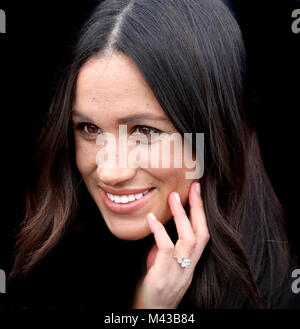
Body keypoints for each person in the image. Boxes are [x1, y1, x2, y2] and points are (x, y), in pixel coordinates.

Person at [8, 0, 295, 309]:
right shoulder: (39, 265)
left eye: (145, 132)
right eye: (89, 128)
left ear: (211, 135)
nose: (110, 173)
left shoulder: (279, 289)